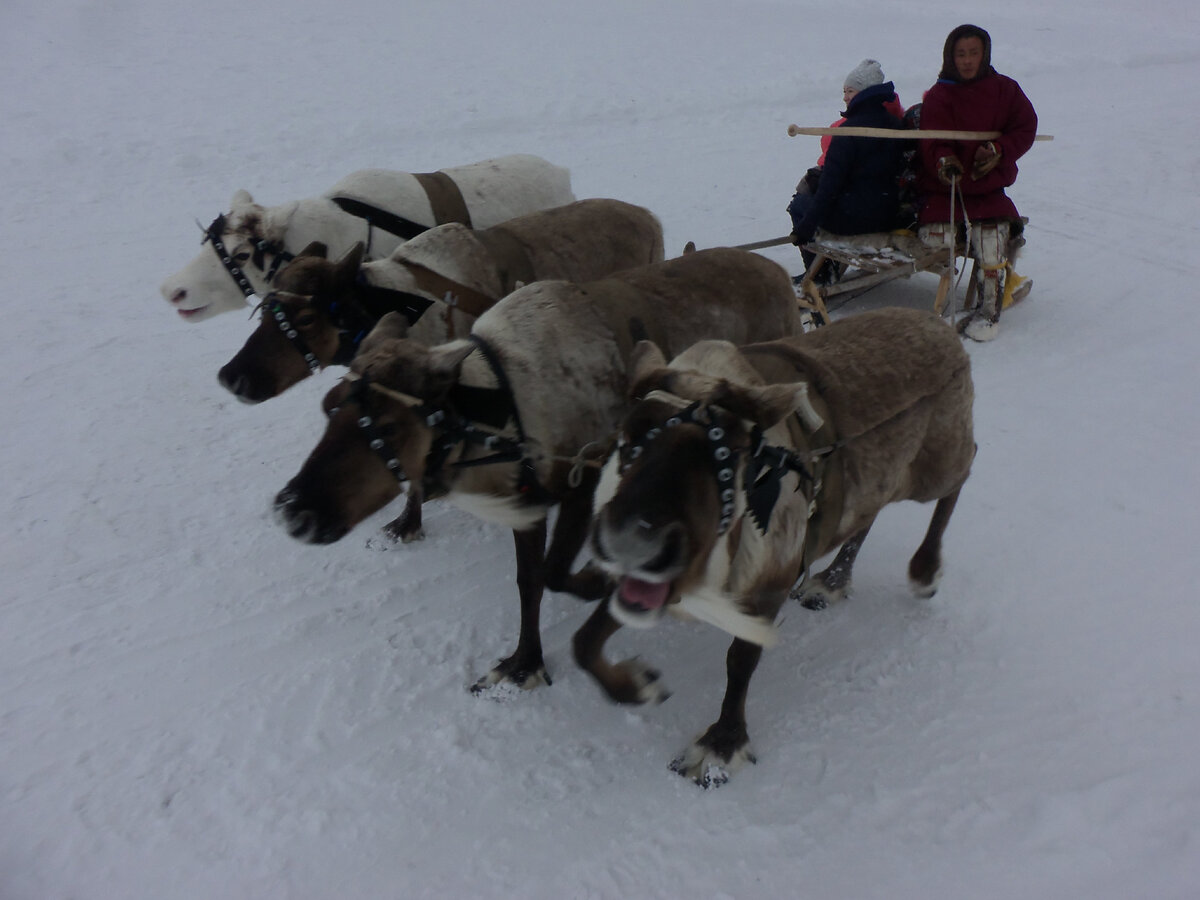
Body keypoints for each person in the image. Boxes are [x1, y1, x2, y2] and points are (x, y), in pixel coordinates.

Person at [916, 24, 1038, 341]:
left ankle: (988, 310)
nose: (967, 61)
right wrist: (944, 161)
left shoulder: (1005, 90)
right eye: (961, 54)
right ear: (950, 56)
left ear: (984, 55)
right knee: (933, 240)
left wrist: (999, 150)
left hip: (987, 192)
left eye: (974, 53)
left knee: (990, 238)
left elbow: (1025, 128)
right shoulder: (940, 95)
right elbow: (932, 140)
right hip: (947, 192)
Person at [788, 59, 909, 284]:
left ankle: (822, 276)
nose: (844, 97)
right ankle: (827, 268)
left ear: (864, 92)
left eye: (849, 91)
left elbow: (830, 186)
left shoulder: (849, 131)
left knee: (800, 205)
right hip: (887, 214)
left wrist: (806, 226)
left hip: (857, 219)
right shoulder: (894, 124)